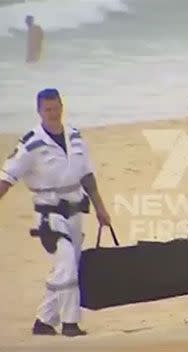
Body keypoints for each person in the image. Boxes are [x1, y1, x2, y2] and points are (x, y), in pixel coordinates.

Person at [0, 88, 111, 336]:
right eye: (47, 109)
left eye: (56, 107)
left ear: (62, 106)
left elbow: (87, 175)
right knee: (67, 263)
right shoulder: (30, 144)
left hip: (75, 213)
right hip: (49, 216)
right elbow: (6, 178)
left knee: (67, 267)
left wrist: (101, 208)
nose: (53, 113)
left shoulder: (74, 136)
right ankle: (70, 323)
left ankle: (43, 321)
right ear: (39, 112)